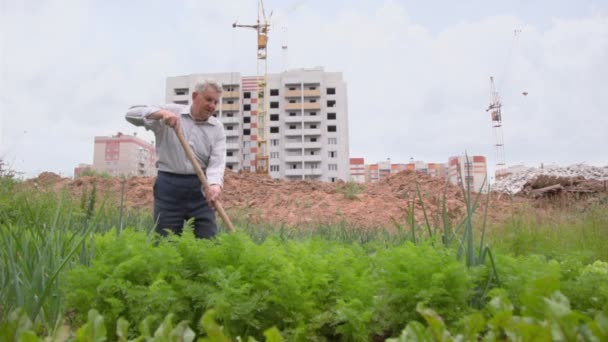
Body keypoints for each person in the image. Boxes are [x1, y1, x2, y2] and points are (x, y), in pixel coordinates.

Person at [125, 80, 226, 239]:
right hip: (168, 187)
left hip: (201, 189)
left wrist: (214, 186)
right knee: (166, 243)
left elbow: (217, 163)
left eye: (216, 102)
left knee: (208, 243)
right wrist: (161, 114)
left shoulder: (217, 128)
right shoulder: (170, 112)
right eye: (208, 99)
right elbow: (130, 114)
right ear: (194, 96)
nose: (212, 106)